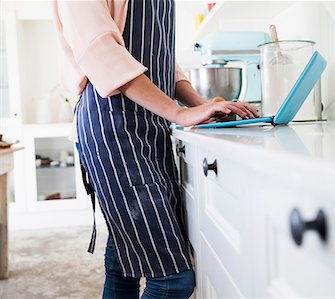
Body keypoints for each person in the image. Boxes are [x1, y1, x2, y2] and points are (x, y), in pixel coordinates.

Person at [53, 0, 259, 298]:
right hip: (111, 125)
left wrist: (201, 105)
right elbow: (101, 52)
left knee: (125, 259)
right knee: (172, 280)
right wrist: (179, 114)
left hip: (152, 123)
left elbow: (162, 59)